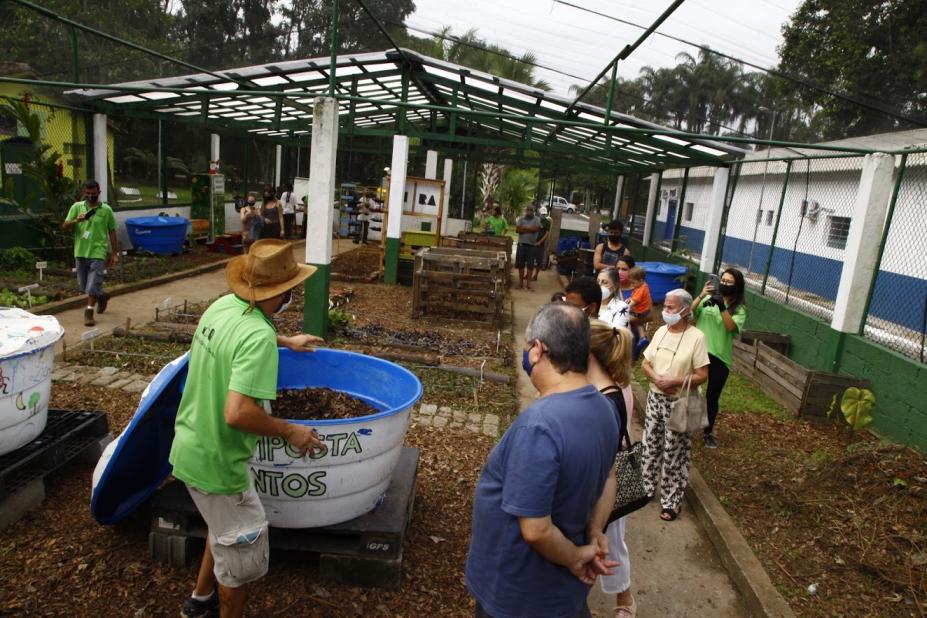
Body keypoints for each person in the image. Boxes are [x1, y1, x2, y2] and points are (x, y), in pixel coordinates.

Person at [170, 239, 326, 618]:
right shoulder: (258, 338)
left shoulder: (224, 306)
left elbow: (240, 337)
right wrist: (291, 431)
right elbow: (237, 413)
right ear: (285, 291)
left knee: (221, 528)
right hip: (218, 464)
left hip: (189, 443)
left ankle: (199, 600)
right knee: (238, 563)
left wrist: (286, 340)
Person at [466, 302, 620, 618]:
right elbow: (609, 478)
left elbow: (535, 529)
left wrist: (576, 556)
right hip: (563, 597)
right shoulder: (605, 408)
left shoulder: (541, 425)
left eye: (527, 346)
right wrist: (595, 531)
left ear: (538, 350)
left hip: (519, 596)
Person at [640, 289, 709, 521]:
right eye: (666, 306)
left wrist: (675, 381)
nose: (666, 311)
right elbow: (645, 362)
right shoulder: (661, 331)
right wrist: (656, 378)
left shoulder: (697, 337)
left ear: (685, 310)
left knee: (675, 452)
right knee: (650, 445)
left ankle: (671, 501)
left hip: (680, 402)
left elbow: (702, 374)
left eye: (671, 307)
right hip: (655, 397)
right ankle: (646, 488)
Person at [585, 320, 637, 617]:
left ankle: (626, 602)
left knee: (612, 543)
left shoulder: (609, 395)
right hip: (606, 475)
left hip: (608, 479)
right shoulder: (611, 385)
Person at [693, 268, 747, 449]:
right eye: (722, 280)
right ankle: (683, 423)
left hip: (720, 357)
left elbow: (732, 328)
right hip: (698, 351)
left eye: (728, 281)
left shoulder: (739, 309)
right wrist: (701, 296)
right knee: (689, 389)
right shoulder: (707, 299)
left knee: (712, 396)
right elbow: (688, 314)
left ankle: (708, 432)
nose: (723, 283)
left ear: (737, 286)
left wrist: (722, 307)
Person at [62, 179, 118, 327]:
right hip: (80, 251)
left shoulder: (106, 210)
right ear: (84, 193)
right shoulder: (77, 207)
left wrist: (113, 253)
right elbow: (65, 225)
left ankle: (88, 312)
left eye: (93, 193)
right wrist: (76, 221)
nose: (90, 196)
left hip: (98, 251)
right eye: (87, 193)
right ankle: (102, 296)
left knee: (93, 282)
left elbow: (112, 231)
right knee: (84, 284)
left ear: (98, 193)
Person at [627, 266, 653, 351]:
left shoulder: (640, 289)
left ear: (641, 280)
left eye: (633, 283)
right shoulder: (644, 286)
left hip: (640, 311)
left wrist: (627, 306)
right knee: (639, 323)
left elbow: (635, 301)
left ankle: (629, 334)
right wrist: (630, 299)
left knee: (626, 319)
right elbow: (635, 298)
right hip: (645, 310)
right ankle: (643, 337)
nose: (632, 285)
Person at [515, 205, 541, 290]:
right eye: (528, 210)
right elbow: (518, 230)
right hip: (522, 245)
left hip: (532, 246)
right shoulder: (521, 219)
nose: (529, 212)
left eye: (531, 210)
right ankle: (521, 283)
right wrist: (530, 229)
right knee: (520, 264)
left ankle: (528, 284)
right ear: (526, 211)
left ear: (533, 211)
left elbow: (536, 229)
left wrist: (524, 228)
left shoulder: (537, 219)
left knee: (530, 265)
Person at [532, 208, 552, 280]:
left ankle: (536, 275)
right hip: (533, 242)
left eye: (544, 214)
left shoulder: (547, 222)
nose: (543, 215)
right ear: (539, 213)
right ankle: (528, 274)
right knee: (530, 260)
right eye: (542, 214)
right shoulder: (535, 220)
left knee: (539, 261)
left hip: (541, 243)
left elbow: (546, 234)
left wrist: (540, 241)